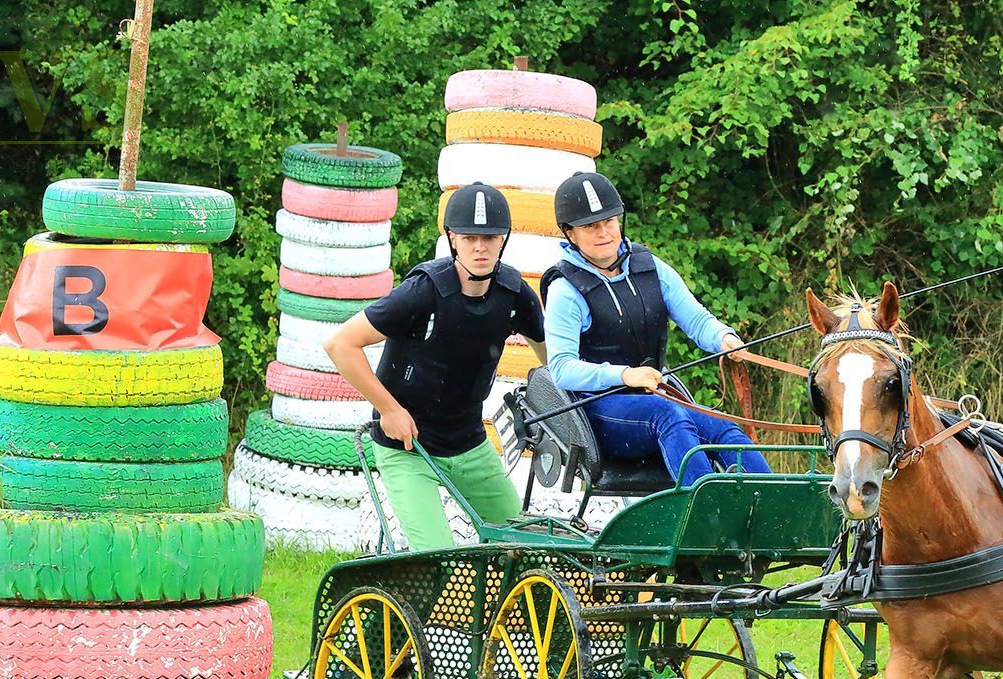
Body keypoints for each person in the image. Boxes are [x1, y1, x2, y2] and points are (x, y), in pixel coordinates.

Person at [325, 182, 545, 550]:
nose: (480, 247)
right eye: (470, 237)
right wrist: (388, 410)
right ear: (452, 238)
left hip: (470, 445)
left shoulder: (515, 294)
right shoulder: (422, 291)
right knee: (437, 558)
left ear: (503, 240)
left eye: (490, 237)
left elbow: (553, 361)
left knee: (526, 548)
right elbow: (340, 344)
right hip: (408, 448)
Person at [542, 171, 770, 486]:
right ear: (570, 234)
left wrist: (724, 338)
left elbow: (697, 319)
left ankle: (775, 507)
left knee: (724, 426)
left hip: (655, 399)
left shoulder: (651, 267)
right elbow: (562, 369)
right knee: (668, 416)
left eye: (609, 221)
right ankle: (707, 510)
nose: (605, 233)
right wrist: (624, 374)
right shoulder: (565, 291)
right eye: (591, 227)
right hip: (598, 413)